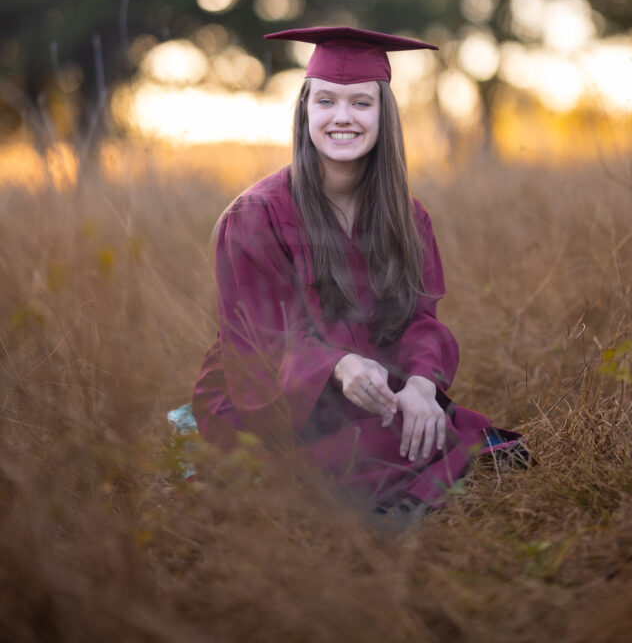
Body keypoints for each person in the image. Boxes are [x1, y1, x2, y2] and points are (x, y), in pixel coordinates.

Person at [192, 26, 525, 519]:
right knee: (410, 443)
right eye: (326, 101)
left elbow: (419, 320)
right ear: (305, 111)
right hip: (269, 401)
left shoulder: (408, 218)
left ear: (383, 115)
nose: (342, 117)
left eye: (361, 103)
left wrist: (420, 384)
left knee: (436, 428)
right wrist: (338, 365)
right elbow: (262, 343)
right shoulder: (256, 216)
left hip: (370, 393)